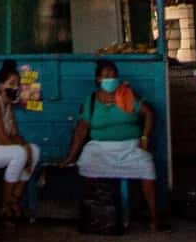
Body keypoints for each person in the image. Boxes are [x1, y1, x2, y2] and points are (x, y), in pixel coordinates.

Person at [61, 59, 165, 231]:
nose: (110, 79)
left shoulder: (127, 94)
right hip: (100, 147)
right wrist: (71, 156)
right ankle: (94, 215)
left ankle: (155, 217)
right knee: (86, 163)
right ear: (98, 80)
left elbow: (148, 113)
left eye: (113, 75)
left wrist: (144, 138)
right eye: (106, 75)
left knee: (147, 166)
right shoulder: (92, 100)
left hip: (129, 146)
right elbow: (81, 129)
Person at [0, 61, 38, 221]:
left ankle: (14, 200)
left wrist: (26, 149)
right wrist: (22, 152)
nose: (15, 88)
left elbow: (15, 134)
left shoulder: (8, 106)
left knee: (34, 150)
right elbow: (3, 137)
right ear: (0, 85)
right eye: (11, 84)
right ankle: (4, 205)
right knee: (19, 153)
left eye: (18, 84)